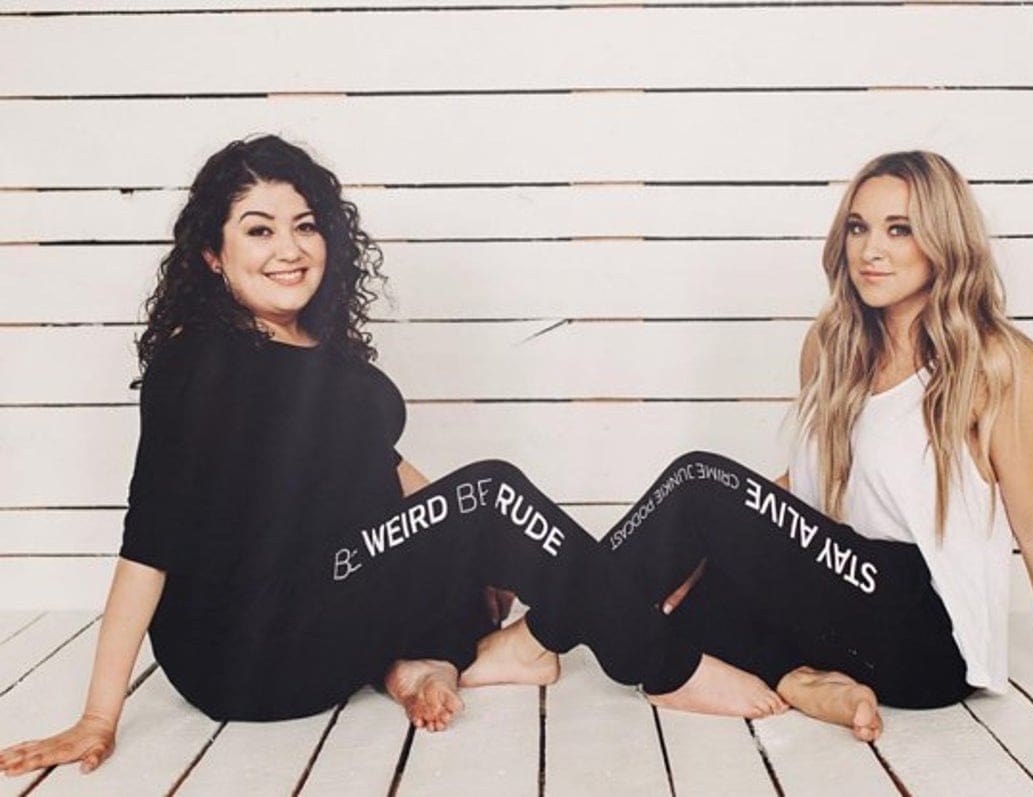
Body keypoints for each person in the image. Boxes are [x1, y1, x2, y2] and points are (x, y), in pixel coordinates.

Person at [0, 135, 783, 778]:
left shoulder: (326, 355)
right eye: (259, 229)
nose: (289, 249)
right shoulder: (198, 362)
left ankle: (451, 658)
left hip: (320, 614)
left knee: (475, 508)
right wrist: (98, 715)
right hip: (239, 652)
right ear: (212, 253)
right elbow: (150, 540)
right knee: (489, 491)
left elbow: (391, 477)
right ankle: (668, 666)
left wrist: (488, 553)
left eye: (305, 225)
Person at [602, 151, 1033, 741]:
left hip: (926, 638)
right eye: (858, 228)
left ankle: (570, 623)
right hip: (843, 599)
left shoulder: (1000, 366)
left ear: (943, 241)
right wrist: (708, 546)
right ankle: (800, 680)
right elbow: (804, 488)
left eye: (899, 230)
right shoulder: (830, 345)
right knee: (685, 588)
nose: (870, 250)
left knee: (699, 481)